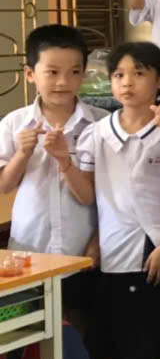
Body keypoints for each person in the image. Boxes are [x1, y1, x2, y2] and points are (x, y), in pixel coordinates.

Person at [56, 42, 160, 359]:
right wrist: (63, 162)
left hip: (159, 244)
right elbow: (87, 194)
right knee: (130, 336)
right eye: (118, 75)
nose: (127, 82)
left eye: (139, 73)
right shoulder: (97, 134)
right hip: (116, 248)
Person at [0, 25, 106, 325]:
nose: (63, 82)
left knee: (82, 328)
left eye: (74, 72)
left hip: (81, 246)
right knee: (33, 328)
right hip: (30, 246)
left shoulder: (101, 124)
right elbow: (4, 185)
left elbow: (109, 195)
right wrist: (22, 154)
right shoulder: (13, 124)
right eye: (52, 72)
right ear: (30, 73)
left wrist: (98, 241)